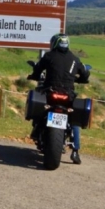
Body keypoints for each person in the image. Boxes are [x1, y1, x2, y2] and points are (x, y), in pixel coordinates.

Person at [28, 33, 90, 164]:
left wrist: (34, 75)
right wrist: (82, 78)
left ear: (54, 43)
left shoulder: (49, 56)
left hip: (50, 92)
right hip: (68, 95)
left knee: (41, 108)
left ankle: (37, 130)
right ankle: (75, 151)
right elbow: (84, 74)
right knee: (74, 120)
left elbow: (38, 70)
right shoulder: (74, 59)